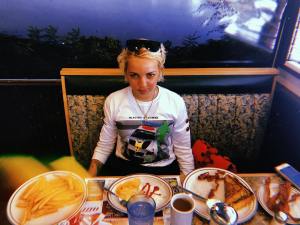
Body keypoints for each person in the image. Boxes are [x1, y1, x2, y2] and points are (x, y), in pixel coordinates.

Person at [88, 39, 194, 177]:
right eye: (134, 75)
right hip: (123, 168)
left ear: (160, 72)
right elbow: (104, 145)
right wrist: (89, 176)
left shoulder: (175, 102)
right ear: (125, 73)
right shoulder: (113, 100)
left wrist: (188, 185)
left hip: (165, 169)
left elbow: (183, 150)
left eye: (150, 75)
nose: (142, 84)